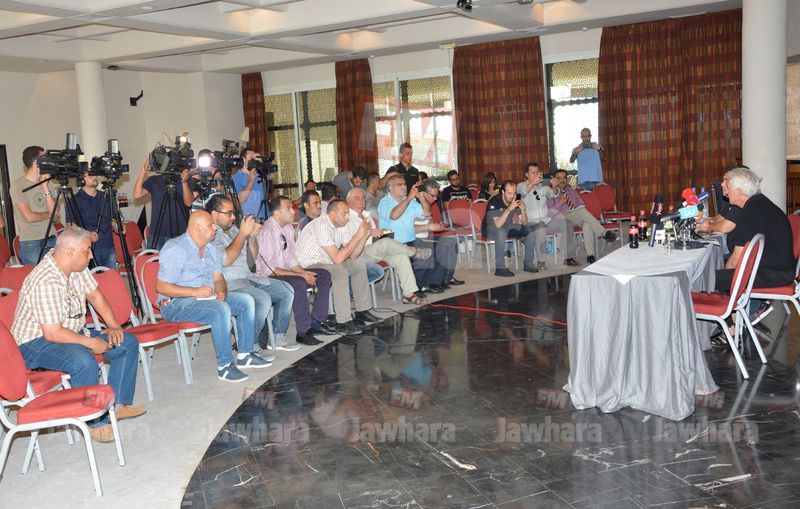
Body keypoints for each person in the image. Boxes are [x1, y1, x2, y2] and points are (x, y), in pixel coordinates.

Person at [11, 227, 146, 443]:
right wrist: (91, 342)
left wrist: (114, 326)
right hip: (34, 343)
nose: (91, 255)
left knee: (126, 342)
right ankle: (95, 421)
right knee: (83, 361)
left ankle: (117, 404)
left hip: (69, 333)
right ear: (69, 252)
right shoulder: (45, 280)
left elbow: (96, 297)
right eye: (87, 251)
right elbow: (53, 333)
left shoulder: (76, 267)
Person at [157, 211, 270, 383]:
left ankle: (245, 354)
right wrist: (194, 292)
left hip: (205, 298)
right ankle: (225, 366)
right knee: (220, 309)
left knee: (245, 301)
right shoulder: (176, 248)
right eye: (210, 225)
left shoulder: (210, 248)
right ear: (197, 228)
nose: (215, 227)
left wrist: (222, 292)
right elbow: (162, 287)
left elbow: (218, 278)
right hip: (175, 303)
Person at [206, 195, 297, 352]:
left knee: (286, 290)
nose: (233, 217)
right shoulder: (211, 234)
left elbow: (251, 260)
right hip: (229, 283)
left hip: (248, 278)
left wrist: (252, 237)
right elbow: (225, 260)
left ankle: (277, 336)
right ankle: (250, 345)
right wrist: (242, 234)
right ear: (215, 214)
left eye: (234, 213)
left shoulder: (233, 230)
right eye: (229, 213)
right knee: (262, 299)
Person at [296, 199, 382, 334]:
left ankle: (362, 311)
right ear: (332, 214)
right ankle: (343, 321)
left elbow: (353, 255)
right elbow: (337, 259)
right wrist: (358, 235)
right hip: (308, 265)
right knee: (339, 272)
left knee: (358, 264)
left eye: (348, 213)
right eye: (344, 213)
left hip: (327, 261)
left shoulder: (341, 225)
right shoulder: (322, 225)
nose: (347, 217)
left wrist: (364, 236)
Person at [703, 167, 795, 291]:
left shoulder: (751, 213)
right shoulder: (759, 203)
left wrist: (724, 280)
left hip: (772, 274)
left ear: (740, 191)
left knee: (703, 279)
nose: (723, 186)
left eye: (727, 184)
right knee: (712, 273)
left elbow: (736, 261)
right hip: (778, 269)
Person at [255, 196, 329, 345]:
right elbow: (269, 269)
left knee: (324, 275)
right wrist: (300, 275)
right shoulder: (267, 231)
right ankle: (303, 331)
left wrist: (303, 272)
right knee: (298, 282)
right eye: (288, 208)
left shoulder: (288, 228)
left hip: (285, 271)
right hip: (269, 276)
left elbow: (291, 259)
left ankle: (316, 322)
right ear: (277, 212)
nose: (293, 211)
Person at [344, 187, 426, 304]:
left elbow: (374, 235)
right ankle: (414, 252)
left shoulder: (366, 215)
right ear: (348, 201)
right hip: (358, 254)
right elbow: (348, 244)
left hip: (373, 250)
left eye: (363, 198)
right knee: (386, 243)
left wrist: (381, 232)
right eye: (357, 198)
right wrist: (369, 233)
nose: (361, 201)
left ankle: (408, 294)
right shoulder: (346, 217)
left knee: (401, 257)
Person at [378, 175, 456, 296]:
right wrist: (409, 198)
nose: (404, 186)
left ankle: (432, 282)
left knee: (441, 246)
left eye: (404, 184)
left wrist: (421, 198)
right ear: (390, 188)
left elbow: (427, 213)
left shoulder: (410, 202)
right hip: (393, 243)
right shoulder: (384, 202)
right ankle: (416, 287)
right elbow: (394, 215)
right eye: (399, 184)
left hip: (411, 239)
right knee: (424, 251)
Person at [547, 169, 616, 264]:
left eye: (564, 178)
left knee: (587, 223)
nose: (562, 180)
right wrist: (560, 203)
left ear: (567, 179)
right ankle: (603, 233)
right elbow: (551, 212)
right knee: (581, 211)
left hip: (575, 215)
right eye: (559, 178)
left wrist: (578, 209)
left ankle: (590, 255)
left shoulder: (571, 190)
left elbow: (580, 203)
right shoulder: (550, 192)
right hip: (561, 217)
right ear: (555, 180)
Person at [517, 163, 579, 268]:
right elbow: (523, 192)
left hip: (546, 220)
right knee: (541, 227)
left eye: (537, 172)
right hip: (530, 222)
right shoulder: (521, 186)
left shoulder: (544, 188)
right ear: (527, 174)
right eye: (533, 173)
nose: (536, 175)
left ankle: (569, 257)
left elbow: (553, 194)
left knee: (567, 224)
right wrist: (533, 183)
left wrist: (554, 186)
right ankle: (541, 261)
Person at [11, 145, 59, 265]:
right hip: (32, 243)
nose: (47, 160)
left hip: (52, 239)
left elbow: (56, 212)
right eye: (44, 157)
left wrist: (45, 187)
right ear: (36, 162)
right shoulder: (18, 185)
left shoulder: (48, 183)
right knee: (36, 277)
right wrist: (50, 214)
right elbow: (29, 217)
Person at [133, 158, 193, 250]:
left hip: (180, 232)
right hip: (157, 233)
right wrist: (143, 174)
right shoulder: (153, 180)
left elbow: (188, 203)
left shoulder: (184, 179)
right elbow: (137, 195)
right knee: (154, 259)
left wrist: (184, 182)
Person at [485, 180, 538, 277]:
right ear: (503, 192)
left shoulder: (515, 200)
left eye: (514, 193)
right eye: (509, 193)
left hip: (507, 226)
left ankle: (528, 264)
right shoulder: (494, 201)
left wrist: (523, 210)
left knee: (530, 230)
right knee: (501, 232)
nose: (512, 196)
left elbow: (524, 223)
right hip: (490, 228)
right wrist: (509, 209)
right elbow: (498, 225)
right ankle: (500, 268)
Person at [67, 170, 118, 268]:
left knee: (112, 276)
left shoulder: (106, 196)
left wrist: (117, 226)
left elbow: (112, 219)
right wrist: (87, 234)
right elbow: (70, 226)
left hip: (109, 246)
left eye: (95, 174)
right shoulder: (74, 200)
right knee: (92, 277)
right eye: (90, 175)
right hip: (88, 249)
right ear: (81, 180)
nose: (94, 177)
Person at [233, 148, 267, 221]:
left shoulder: (258, 174)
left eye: (254, 158)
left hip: (263, 217)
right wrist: (251, 180)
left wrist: (262, 162)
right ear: (243, 159)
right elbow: (239, 200)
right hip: (248, 220)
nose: (253, 160)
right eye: (251, 158)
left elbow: (272, 175)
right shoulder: (236, 177)